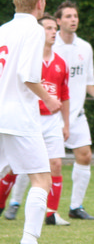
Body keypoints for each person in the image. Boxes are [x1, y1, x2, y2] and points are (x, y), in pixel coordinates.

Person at [0, 0, 64, 244]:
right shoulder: (34, 30)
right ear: (40, 3)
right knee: (41, 179)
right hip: (19, 117)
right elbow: (28, 76)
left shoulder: (3, 30)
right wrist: (48, 99)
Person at [0, 15, 72, 226]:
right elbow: (26, 79)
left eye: (54, 28)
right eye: (48, 28)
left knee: (55, 165)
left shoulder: (61, 63)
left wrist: (66, 124)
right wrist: (46, 98)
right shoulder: (28, 57)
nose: (52, 32)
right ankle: (7, 203)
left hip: (51, 120)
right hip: (29, 118)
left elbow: (65, 95)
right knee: (16, 168)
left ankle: (51, 213)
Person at [54, 0, 94, 220]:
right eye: (68, 16)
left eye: (75, 16)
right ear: (58, 21)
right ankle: (15, 203)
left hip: (76, 114)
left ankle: (76, 207)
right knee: (45, 163)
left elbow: (88, 81)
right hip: (52, 114)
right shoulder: (49, 46)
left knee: (85, 156)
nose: (73, 19)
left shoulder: (85, 47)